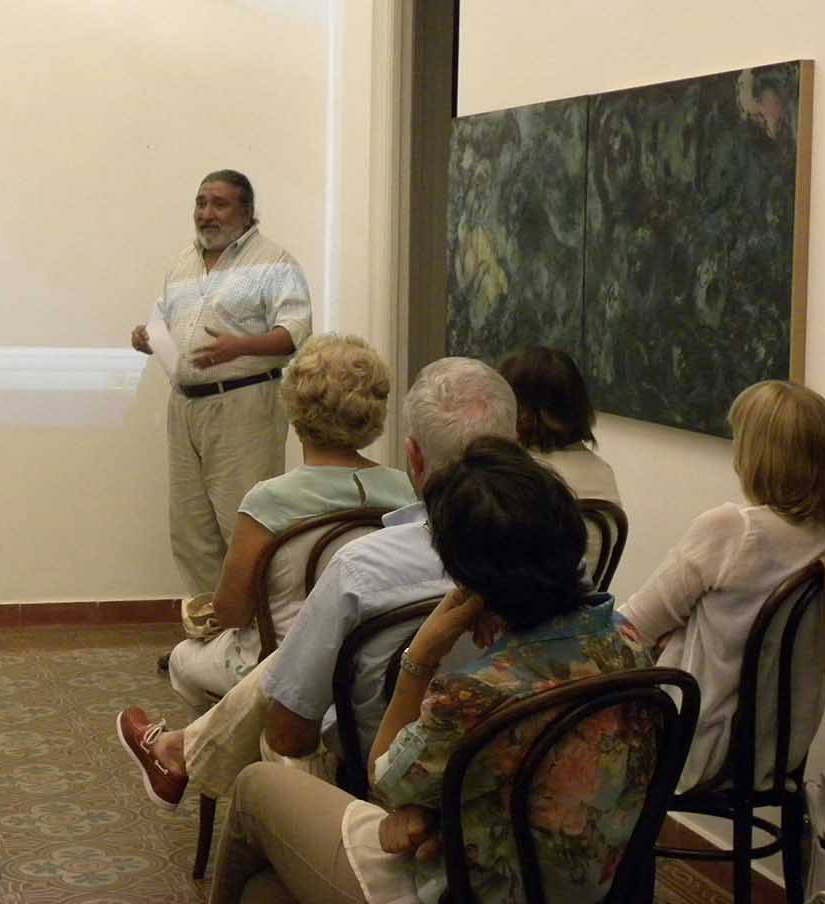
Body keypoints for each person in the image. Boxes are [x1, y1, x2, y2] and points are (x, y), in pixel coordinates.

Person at [208, 438, 658, 904]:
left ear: (464, 575)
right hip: (597, 886)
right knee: (264, 892)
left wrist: (421, 656)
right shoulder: (626, 640)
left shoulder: (478, 692)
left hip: (477, 890)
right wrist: (436, 815)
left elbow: (385, 779)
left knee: (254, 787)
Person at [115, 357, 516, 809]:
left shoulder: (358, 566)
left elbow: (287, 732)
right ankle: (181, 749)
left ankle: (184, 754)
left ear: (415, 457)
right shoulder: (553, 554)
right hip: (516, 760)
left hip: (379, 764)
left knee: (269, 691)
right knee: (296, 660)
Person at [621, 379, 825, 790]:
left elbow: (634, 625)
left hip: (696, 745)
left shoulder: (732, 529)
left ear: (758, 456)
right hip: (777, 754)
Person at [165, 334, 417, 711]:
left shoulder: (269, 501)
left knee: (182, 659)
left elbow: (232, 612)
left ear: (295, 408)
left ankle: (224, 744)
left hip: (280, 665)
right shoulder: (407, 491)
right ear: (375, 410)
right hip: (376, 664)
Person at [130, 169, 313, 597]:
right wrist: (147, 337)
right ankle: (211, 626)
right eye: (201, 203)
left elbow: (295, 332)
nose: (206, 213)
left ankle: (255, 627)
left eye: (219, 204)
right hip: (184, 406)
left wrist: (240, 347)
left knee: (245, 524)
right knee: (191, 531)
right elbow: (168, 323)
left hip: (243, 404)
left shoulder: (275, 262)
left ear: (247, 212)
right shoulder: (182, 262)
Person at [499, 345, 621, 577]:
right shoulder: (604, 472)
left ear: (519, 409)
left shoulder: (517, 477)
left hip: (523, 598)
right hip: (585, 599)